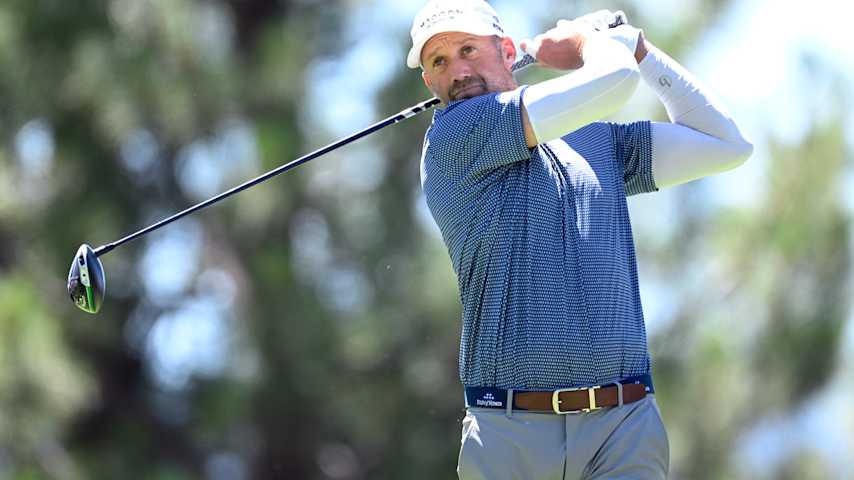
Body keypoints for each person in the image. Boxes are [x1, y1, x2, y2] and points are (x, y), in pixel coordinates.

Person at [410, 1, 753, 479]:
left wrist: (642, 52)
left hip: (624, 427)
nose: (458, 71)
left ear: (506, 51)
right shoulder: (455, 135)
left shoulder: (593, 139)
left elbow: (726, 145)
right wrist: (589, 44)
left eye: (468, 49)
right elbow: (612, 84)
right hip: (511, 434)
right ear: (429, 83)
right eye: (439, 62)